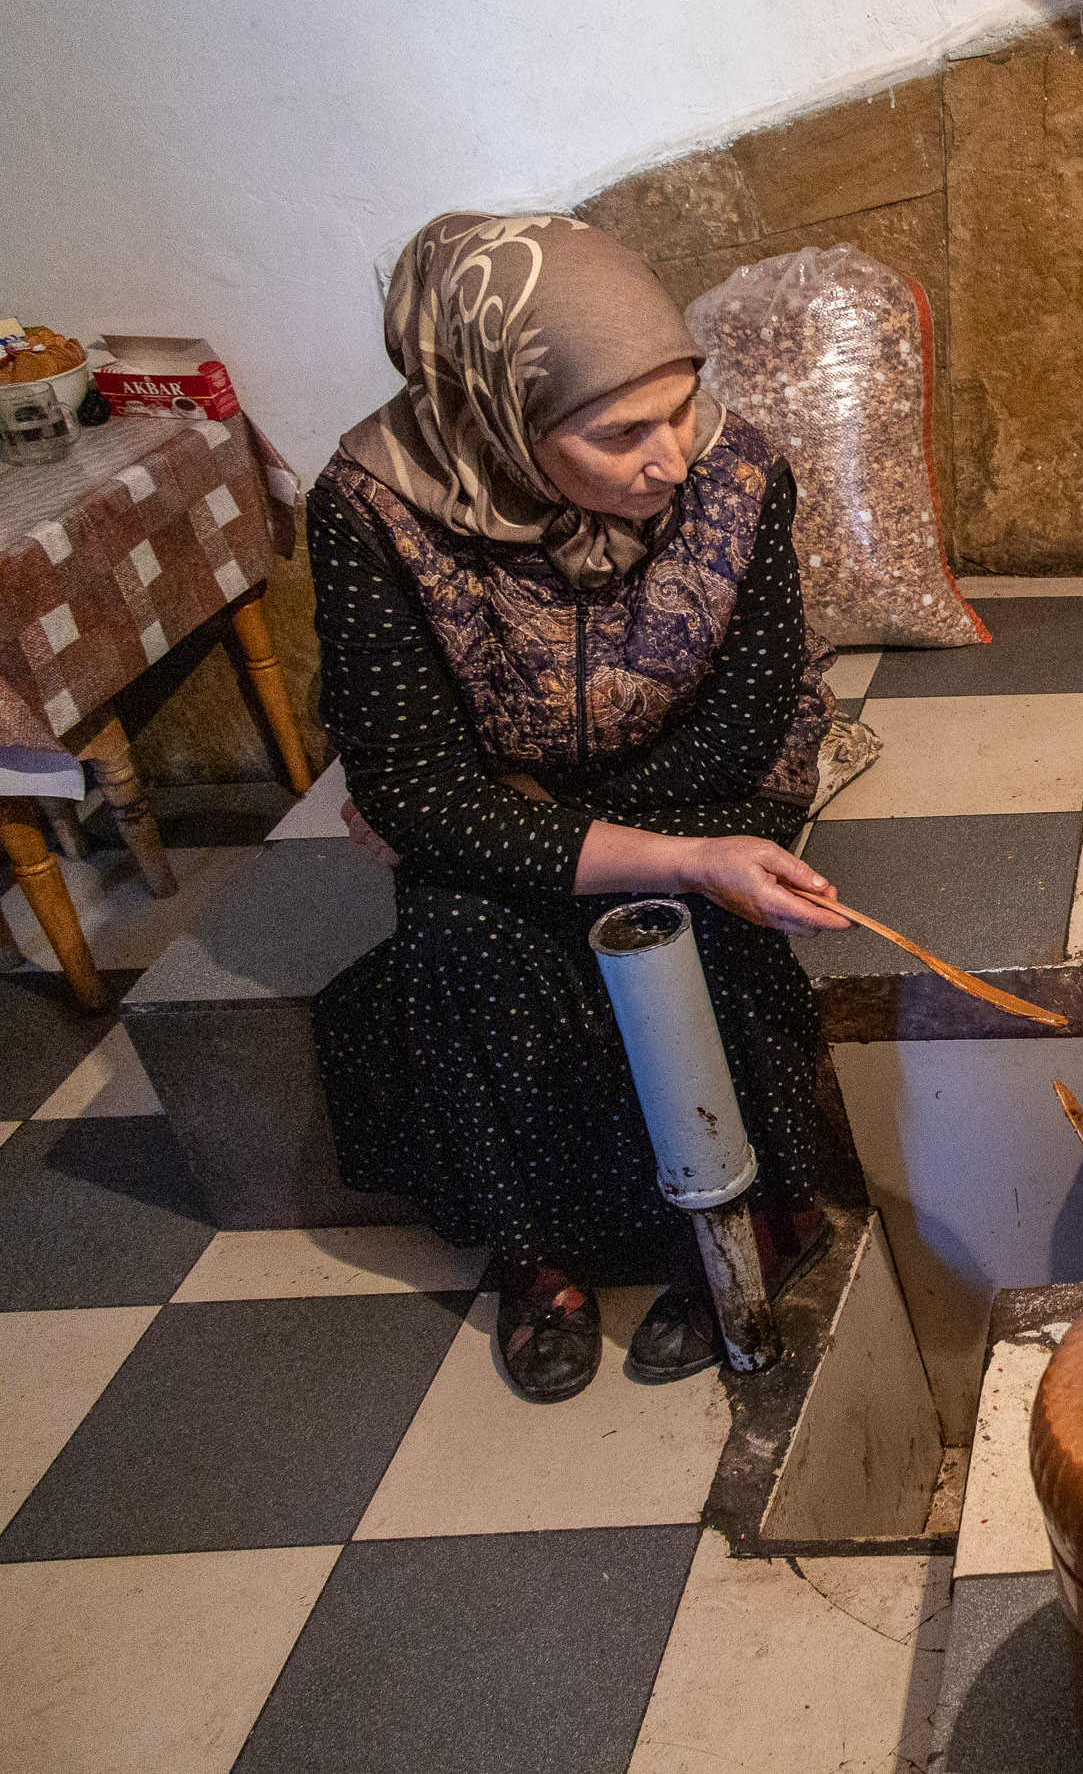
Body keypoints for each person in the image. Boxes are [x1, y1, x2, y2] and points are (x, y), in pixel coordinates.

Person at [308, 211, 851, 1403]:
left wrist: (563, 826)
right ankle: (535, 1246)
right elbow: (409, 785)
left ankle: (761, 1211)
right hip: (502, 801)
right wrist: (498, 825)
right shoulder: (372, 507)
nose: (672, 459)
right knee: (457, 927)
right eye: (621, 435)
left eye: (681, 409)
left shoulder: (739, 473)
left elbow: (745, 721)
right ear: (498, 412)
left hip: (697, 777)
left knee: (686, 915)